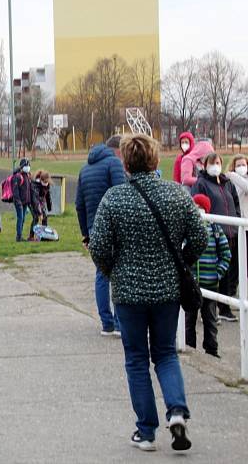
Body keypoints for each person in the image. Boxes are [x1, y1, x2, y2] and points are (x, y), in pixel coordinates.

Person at [89, 134, 207, 453]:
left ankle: (146, 431)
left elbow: (98, 246)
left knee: (137, 359)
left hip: (128, 293)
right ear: (155, 161)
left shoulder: (114, 199)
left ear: (125, 163)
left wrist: (115, 271)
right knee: (166, 353)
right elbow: (200, 236)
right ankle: (177, 410)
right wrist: (181, 261)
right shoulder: (175, 195)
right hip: (167, 290)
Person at [75, 135, 127, 336]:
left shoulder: (84, 168)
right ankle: (120, 323)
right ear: (118, 150)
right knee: (120, 274)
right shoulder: (114, 164)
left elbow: (79, 205)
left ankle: (107, 323)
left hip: (94, 227)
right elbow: (121, 194)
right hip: (114, 226)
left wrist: (85, 234)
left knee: (101, 274)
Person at [191, 152, 241, 322]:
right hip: (214, 235)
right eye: (212, 163)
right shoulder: (201, 183)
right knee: (215, 272)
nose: (216, 166)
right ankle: (214, 307)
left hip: (231, 233)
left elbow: (235, 203)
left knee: (230, 271)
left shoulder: (227, 184)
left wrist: (236, 224)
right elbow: (197, 206)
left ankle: (225, 306)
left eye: (218, 162)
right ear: (205, 165)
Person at [186, 194, 229, 358]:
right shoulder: (187, 229)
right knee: (189, 320)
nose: (198, 211)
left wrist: (218, 273)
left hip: (210, 283)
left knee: (210, 320)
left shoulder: (216, 230)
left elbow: (226, 254)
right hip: (192, 285)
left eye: (201, 207)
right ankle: (190, 348)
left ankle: (211, 351)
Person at [12, 158, 35, 242]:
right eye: (26, 165)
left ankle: (20, 234)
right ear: (22, 166)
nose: (28, 167)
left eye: (29, 165)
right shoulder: (18, 177)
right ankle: (18, 236)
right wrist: (18, 202)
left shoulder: (28, 176)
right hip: (19, 202)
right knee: (20, 218)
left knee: (23, 218)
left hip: (26, 202)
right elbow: (15, 191)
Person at [224, 154, 248, 218]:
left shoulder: (233, 176)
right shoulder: (229, 181)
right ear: (234, 167)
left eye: (243, 165)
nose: (241, 167)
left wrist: (233, 175)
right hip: (234, 215)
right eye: (238, 165)